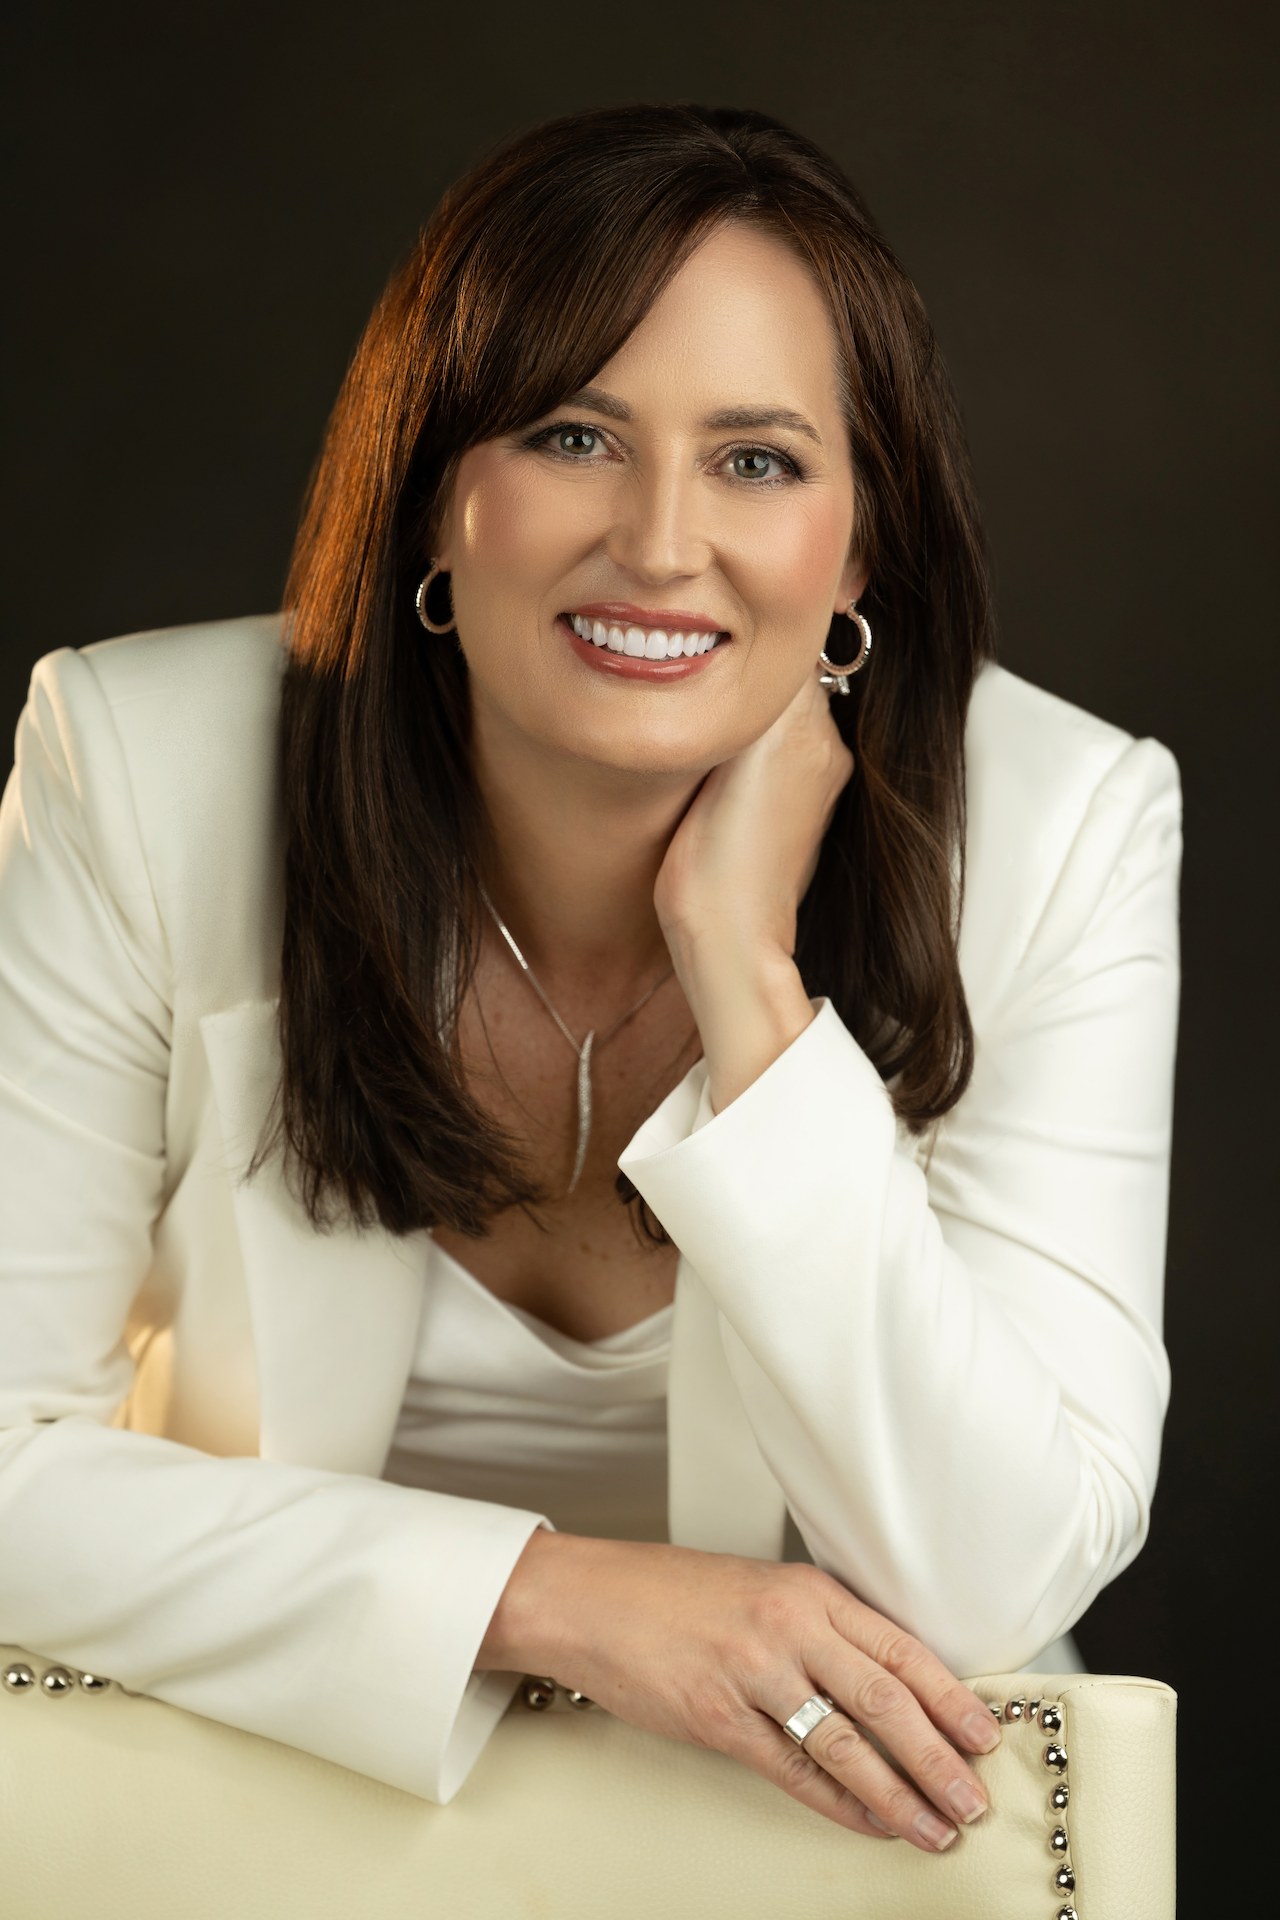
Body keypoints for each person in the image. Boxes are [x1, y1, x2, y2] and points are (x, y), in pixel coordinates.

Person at [0, 104, 1179, 1856]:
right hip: (264, 1804)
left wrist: (744, 973)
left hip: (826, 1832)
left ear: (860, 550)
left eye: (760, 460)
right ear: (435, 492)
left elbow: (993, 1573)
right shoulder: (141, 768)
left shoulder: (1062, 826)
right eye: (574, 433)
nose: (658, 539)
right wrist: (556, 1600)